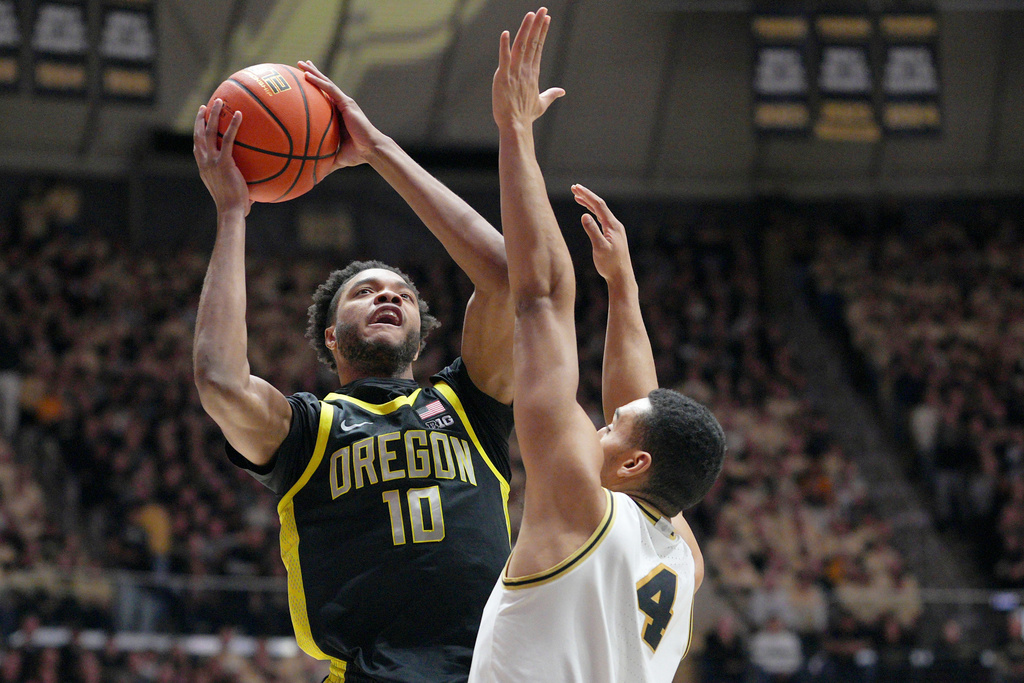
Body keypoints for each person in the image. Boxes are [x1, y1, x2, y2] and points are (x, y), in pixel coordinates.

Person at [192, 59, 516, 681]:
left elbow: (504, 275)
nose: (388, 295)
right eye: (365, 292)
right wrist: (232, 214)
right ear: (334, 337)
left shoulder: (469, 405)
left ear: (422, 332)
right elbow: (220, 382)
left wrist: (379, 150)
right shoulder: (308, 430)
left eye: (400, 292)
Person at [468, 8, 726, 681]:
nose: (599, 424)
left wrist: (516, 136)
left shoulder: (580, 502)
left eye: (610, 427)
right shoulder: (681, 559)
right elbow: (640, 403)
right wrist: (623, 289)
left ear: (635, 463)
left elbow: (542, 300)